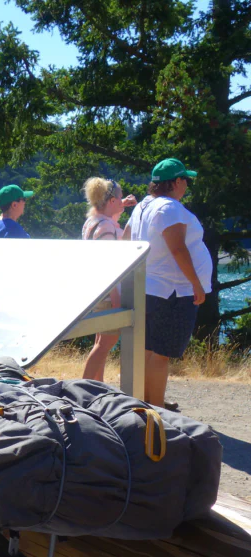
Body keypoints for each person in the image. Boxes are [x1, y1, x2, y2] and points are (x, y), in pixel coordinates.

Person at [122, 158, 212, 408]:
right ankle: (158, 409)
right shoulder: (170, 208)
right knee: (161, 354)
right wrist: (196, 283)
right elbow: (178, 249)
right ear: (177, 181)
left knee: (149, 349)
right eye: (186, 181)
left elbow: (127, 239)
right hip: (173, 290)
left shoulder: (142, 206)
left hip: (149, 288)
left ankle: (146, 401)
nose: (187, 186)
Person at [80, 177, 137, 381]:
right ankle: (83, 388)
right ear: (111, 201)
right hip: (108, 293)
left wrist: (120, 204)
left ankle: (97, 386)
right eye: (119, 198)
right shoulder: (106, 227)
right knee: (106, 344)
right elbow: (109, 265)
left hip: (98, 291)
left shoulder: (93, 221)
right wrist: (116, 298)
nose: (122, 202)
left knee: (100, 342)